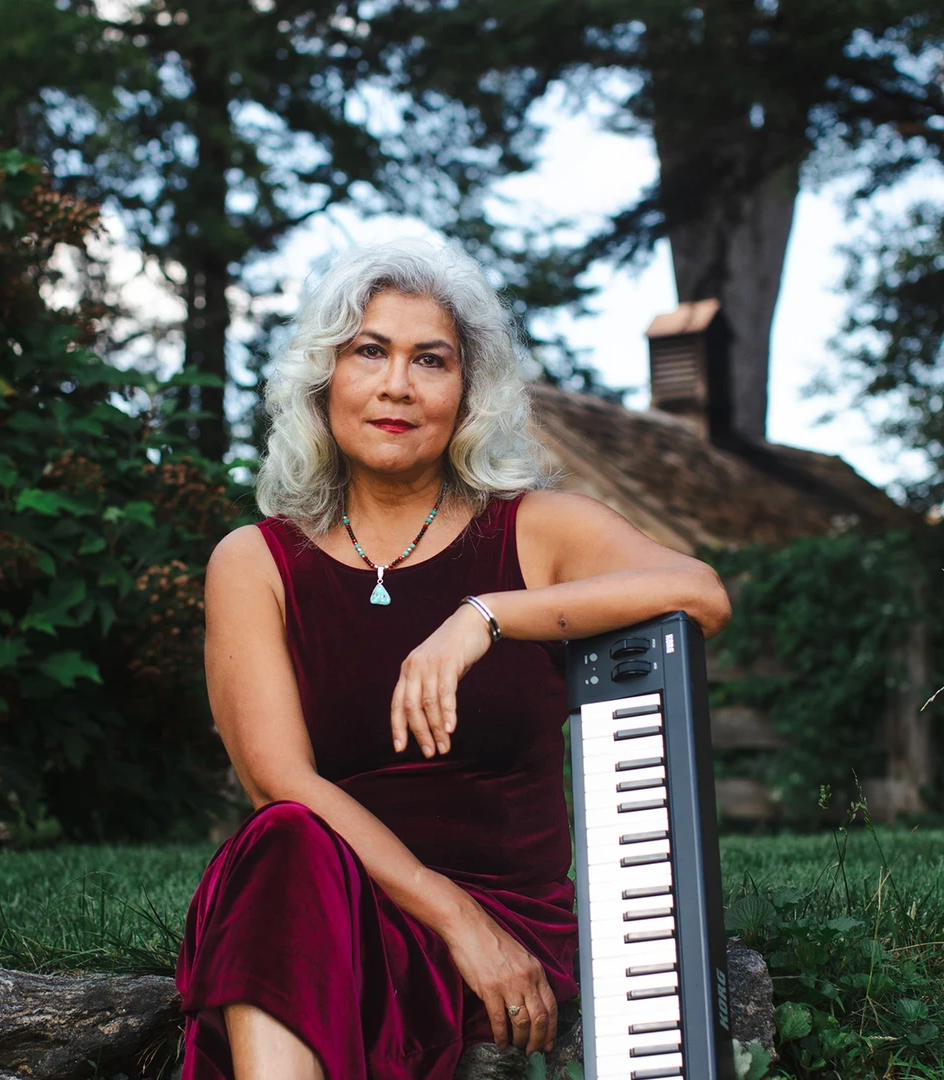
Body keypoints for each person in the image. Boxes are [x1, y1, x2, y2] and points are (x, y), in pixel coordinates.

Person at [174, 238, 732, 1080]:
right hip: (337, 906)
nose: (397, 384)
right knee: (284, 837)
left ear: (467, 391)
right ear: (325, 379)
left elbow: (698, 595)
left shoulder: (535, 530)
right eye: (370, 351)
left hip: (516, 920)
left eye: (429, 360)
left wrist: (488, 616)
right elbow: (278, 781)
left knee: (282, 865)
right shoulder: (256, 563)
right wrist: (454, 919)